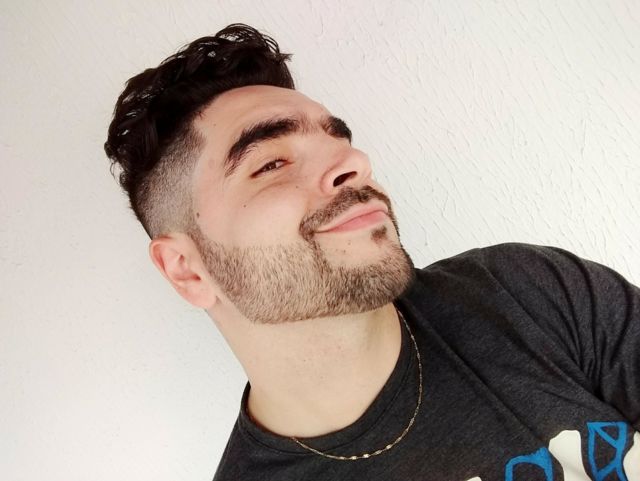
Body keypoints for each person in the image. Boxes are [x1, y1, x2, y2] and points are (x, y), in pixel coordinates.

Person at [104, 23, 639, 481]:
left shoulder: (527, 292)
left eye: (338, 140)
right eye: (271, 163)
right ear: (188, 271)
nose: (353, 162)